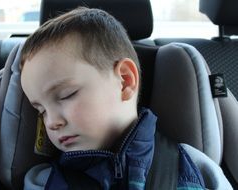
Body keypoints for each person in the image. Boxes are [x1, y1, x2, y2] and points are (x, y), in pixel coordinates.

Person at [20, 7, 232, 190]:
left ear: (125, 81)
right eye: (41, 111)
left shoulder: (193, 169)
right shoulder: (44, 182)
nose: (51, 122)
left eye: (67, 95)